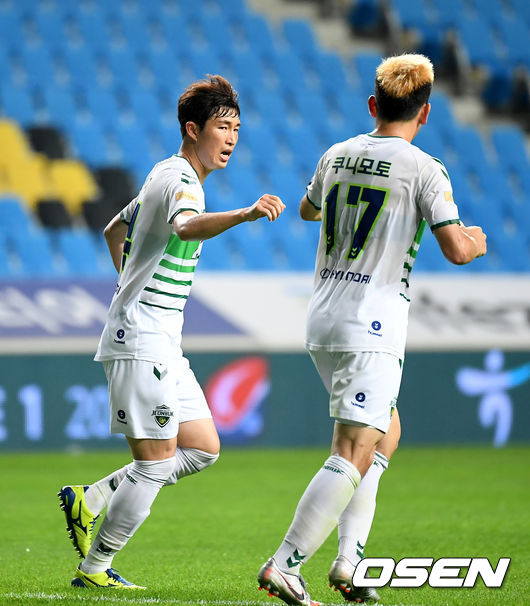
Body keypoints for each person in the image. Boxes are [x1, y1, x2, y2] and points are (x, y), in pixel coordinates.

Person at [257, 53, 487, 605]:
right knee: (355, 446)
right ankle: (286, 564)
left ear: (372, 105)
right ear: (425, 113)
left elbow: (310, 211)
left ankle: (349, 563)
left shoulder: (337, 154)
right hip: (372, 322)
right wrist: (478, 240)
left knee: (386, 432)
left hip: (325, 315)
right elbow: (456, 249)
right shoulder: (425, 168)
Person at [58, 74, 285, 589]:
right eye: (222, 127)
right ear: (192, 128)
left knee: (202, 445)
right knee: (157, 462)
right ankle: (95, 569)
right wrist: (246, 213)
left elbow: (114, 229)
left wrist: (128, 284)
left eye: (237, 129)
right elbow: (184, 226)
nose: (231, 138)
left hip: (158, 337)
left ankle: (91, 499)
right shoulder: (182, 181)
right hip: (143, 338)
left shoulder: (164, 174)